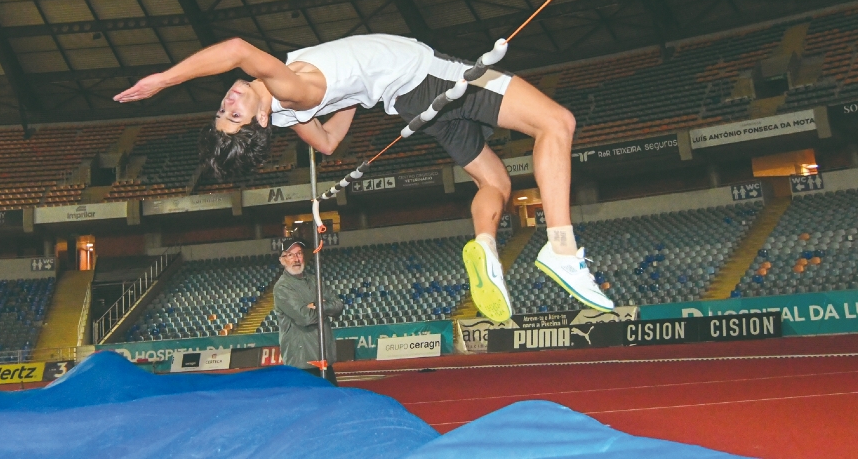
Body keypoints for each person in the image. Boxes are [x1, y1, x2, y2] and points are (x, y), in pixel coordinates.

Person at [115, 34, 613, 321]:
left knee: (497, 184)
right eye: (235, 114)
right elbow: (237, 49)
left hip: (415, 104)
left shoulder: (290, 112)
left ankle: (485, 247)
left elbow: (329, 142)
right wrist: (163, 79)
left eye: (222, 109)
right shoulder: (283, 89)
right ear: (260, 121)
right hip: (432, 79)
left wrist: (354, 89)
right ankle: (562, 247)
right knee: (557, 123)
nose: (228, 101)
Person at [271, 237, 343, 382]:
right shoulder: (282, 287)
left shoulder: (314, 280)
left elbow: (338, 306)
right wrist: (323, 306)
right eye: (290, 255)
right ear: (282, 260)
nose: (296, 259)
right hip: (302, 362)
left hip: (324, 357)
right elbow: (305, 318)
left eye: (299, 253)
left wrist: (315, 305)